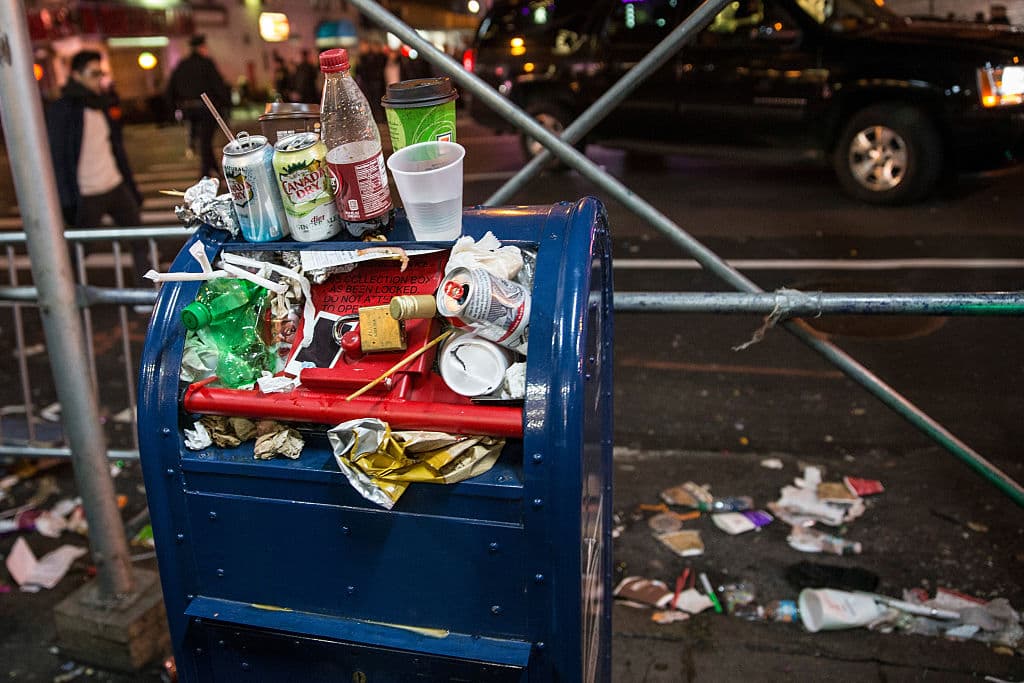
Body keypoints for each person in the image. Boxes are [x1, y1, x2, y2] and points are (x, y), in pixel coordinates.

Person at [45, 49, 150, 286]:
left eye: (100, 73)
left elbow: (116, 150)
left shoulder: (100, 104)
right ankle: (59, 292)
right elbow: (58, 159)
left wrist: (131, 188)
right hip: (87, 192)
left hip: (114, 184)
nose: (98, 79)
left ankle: (145, 296)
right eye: (93, 74)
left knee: (139, 239)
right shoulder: (63, 110)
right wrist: (66, 201)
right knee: (82, 248)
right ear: (76, 75)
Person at [167, 34, 231, 179]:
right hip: (206, 109)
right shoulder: (206, 64)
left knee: (203, 141)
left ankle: (213, 170)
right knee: (205, 142)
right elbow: (218, 85)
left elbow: (171, 89)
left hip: (188, 110)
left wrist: (174, 109)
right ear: (201, 47)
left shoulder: (182, 65)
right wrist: (226, 104)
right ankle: (205, 174)